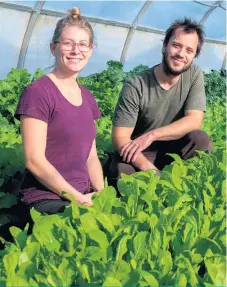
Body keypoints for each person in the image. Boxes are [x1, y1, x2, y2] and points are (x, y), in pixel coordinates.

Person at [14, 7, 104, 215]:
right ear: (53, 48)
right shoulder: (38, 93)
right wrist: (78, 199)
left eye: (83, 44)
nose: (76, 51)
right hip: (45, 198)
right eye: (68, 43)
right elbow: (34, 160)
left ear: (90, 50)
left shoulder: (88, 97)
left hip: (82, 195)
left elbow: (91, 157)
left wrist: (102, 194)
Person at [110, 18, 212, 183]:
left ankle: (186, 183)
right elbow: (120, 138)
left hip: (171, 149)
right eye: (176, 45)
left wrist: (152, 135)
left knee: (200, 139)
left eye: (189, 50)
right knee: (124, 175)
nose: (181, 54)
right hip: (139, 151)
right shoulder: (136, 85)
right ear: (165, 46)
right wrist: (152, 171)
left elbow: (195, 120)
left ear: (194, 56)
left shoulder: (194, 75)